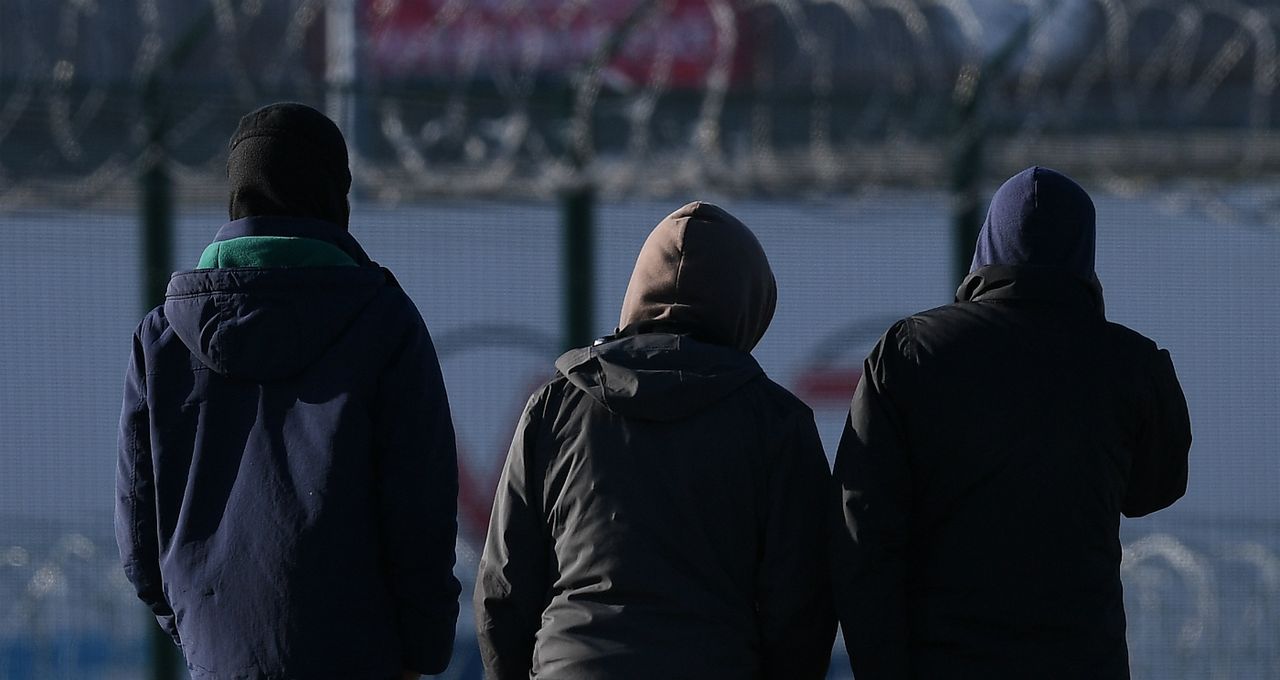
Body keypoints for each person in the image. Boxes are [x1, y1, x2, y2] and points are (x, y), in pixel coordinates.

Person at [114, 102, 461, 680]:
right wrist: (419, 653)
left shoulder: (162, 339)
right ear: (334, 196)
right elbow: (420, 514)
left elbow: (139, 535)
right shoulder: (383, 323)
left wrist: (206, 638)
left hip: (217, 658)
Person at [831, 166, 1192, 679]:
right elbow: (1155, 489)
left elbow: (861, 532)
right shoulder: (1131, 364)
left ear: (988, 243)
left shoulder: (910, 353)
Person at [474, 202, 836, 679]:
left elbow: (503, 590)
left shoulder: (556, 406)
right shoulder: (776, 425)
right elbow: (800, 609)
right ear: (748, 307)